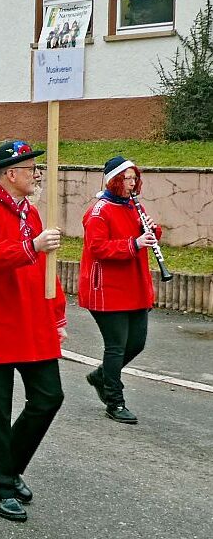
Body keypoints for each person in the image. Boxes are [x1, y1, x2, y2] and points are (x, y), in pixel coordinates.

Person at [0, 140, 67, 523]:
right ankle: (1, 488)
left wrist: (57, 315)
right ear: (10, 174)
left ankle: (9, 464)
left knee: (49, 397)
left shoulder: (31, 212)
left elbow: (44, 269)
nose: (37, 174)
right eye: (31, 168)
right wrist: (31, 245)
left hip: (31, 319)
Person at [78, 157, 159, 425]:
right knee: (116, 347)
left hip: (133, 286)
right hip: (106, 288)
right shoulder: (99, 211)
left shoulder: (133, 206)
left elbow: (145, 236)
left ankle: (101, 376)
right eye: (127, 178)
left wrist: (151, 231)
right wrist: (133, 244)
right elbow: (98, 247)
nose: (132, 183)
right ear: (114, 181)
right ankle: (115, 401)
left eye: (134, 178)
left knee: (137, 343)